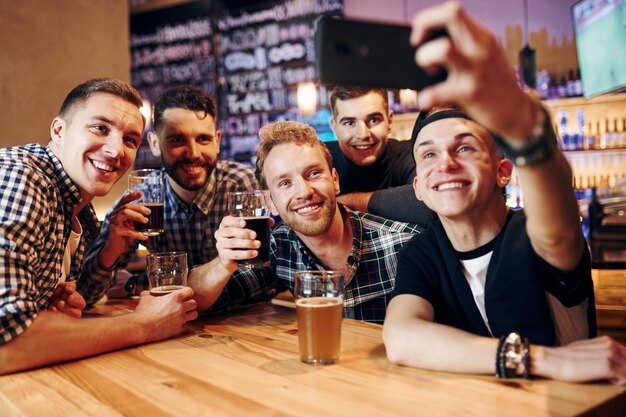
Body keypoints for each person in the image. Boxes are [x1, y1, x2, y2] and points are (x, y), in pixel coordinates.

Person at [383, 2, 626, 384]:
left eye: (465, 147)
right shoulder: (423, 253)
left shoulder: (534, 235)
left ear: (503, 172)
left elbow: (559, 219)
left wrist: (524, 126)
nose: (444, 163)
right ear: (419, 189)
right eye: (428, 153)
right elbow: (401, 338)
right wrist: (543, 360)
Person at [0, 78, 198, 375]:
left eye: (130, 139)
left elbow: (83, 298)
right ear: (59, 130)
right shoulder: (22, 176)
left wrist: (109, 249)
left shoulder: (78, 209)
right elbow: (7, 345)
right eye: (100, 128)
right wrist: (144, 324)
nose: (116, 150)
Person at [188, 121, 422, 324]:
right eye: (284, 183)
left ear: (335, 181)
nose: (304, 192)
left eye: (313, 174)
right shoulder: (279, 248)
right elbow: (193, 302)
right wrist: (224, 263)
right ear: (269, 201)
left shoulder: (404, 245)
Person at [82, 85, 258, 291]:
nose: (193, 153)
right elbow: (85, 292)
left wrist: (141, 284)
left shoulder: (241, 186)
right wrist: (111, 251)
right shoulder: (140, 199)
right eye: (177, 139)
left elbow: (261, 275)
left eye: (203, 139)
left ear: (217, 141)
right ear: (155, 143)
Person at [328, 85, 437, 225]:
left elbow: (432, 202)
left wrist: (349, 202)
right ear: (334, 127)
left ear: (390, 120)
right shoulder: (321, 160)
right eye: (349, 123)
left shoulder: (409, 153)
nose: (363, 134)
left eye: (373, 120)